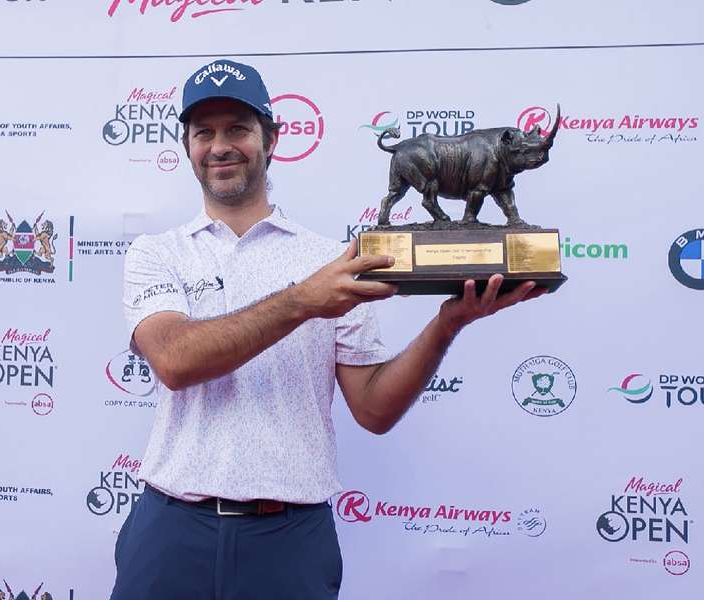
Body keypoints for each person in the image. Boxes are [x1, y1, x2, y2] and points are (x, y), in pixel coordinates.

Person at [110, 59, 545, 600]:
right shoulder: (158, 253)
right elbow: (175, 362)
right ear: (187, 146)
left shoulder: (330, 260)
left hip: (289, 539)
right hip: (172, 531)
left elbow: (374, 409)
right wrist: (303, 301)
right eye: (205, 132)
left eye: (238, 129)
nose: (220, 145)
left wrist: (446, 325)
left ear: (272, 138)